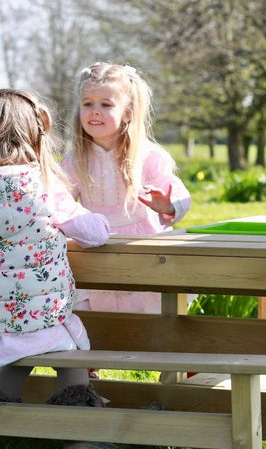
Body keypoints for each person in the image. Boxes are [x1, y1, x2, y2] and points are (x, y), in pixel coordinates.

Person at [0, 88, 128, 449]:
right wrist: (99, 218)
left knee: (17, 346)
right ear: (34, 134)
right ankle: (81, 432)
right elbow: (94, 233)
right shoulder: (42, 184)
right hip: (43, 312)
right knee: (67, 347)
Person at [62, 62, 191, 317]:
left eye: (106, 105)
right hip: (95, 249)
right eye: (88, 104)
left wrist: (168, 205)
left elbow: (177, 190)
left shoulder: (148, 156)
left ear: (128, 112)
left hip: (142, 247)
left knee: (147, 314)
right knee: (100, 316)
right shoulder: (75, 161)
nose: (94, 111)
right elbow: (59, 199)